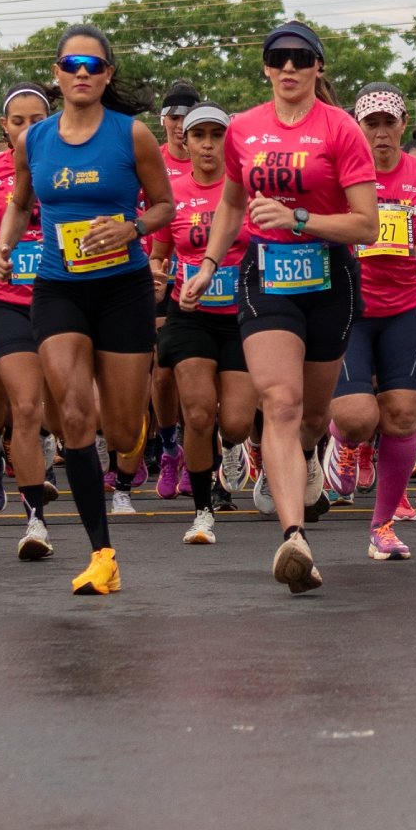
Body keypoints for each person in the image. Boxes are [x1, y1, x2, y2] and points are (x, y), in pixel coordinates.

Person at [182, 22, 377, 596]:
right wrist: (209, 264)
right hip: (265, 275)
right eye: (278, 57)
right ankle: (294, 538)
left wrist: (299, 219)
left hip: (330, 277)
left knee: (312, 416)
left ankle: (310, 453)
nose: (288, 67)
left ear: (318, 66)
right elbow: (231, 204)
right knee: (281, 402)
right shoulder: (243, 128)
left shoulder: (340, 129)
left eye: (300, 57)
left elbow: (366, 225)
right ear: (266, 67)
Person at [0, 25, 174, 596]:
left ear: (107, 75)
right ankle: (102, 554)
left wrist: (132, 227)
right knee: (73, 416)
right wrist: (4, 245)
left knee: (118, 431)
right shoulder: (35, 140)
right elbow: (20, 202)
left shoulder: (132, 134)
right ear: (56, 73)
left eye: (93, 66)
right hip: (58, 288)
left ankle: (133, 428)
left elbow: (165, 206)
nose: (81, 73)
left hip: (123, 290)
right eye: (71, 64)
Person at [329, 82, 416, 563]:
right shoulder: (341, 174)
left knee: (401, 415)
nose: (380, 133)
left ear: (402, 125)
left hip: (405, 308)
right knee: (357, 417)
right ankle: (342, 441)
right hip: (351, 309)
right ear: (357, 127)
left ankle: (382, 526)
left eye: (388, 123)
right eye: (371, 124)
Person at [0, 83, 61, 556]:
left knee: (48, 405)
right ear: (3, 126)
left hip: (56, 296)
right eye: (17, 122)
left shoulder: (66, 168)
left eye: (36, 121)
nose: (26, 130)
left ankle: (38, 466)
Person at [155, 100, 251, 547]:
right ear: (186, 141)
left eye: (217, 135)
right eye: (199, 135)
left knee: (235, 423)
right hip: (189, 314)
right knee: (196, 412)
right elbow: (159, 253)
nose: (208, 145)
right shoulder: (172, 193)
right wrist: (156, 273)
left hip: (243, 317)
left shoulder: (248, 190)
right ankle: (201, 511)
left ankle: (234, 448)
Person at [157, 79, 201, 181]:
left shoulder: (210, 162)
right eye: (174, 118)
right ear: (163, 120)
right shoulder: (152, 159)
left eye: (187, 118)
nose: (181, 125)